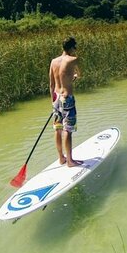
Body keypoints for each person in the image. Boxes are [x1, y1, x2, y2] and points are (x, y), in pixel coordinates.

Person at [49, 36, 83, 167]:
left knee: (57, 129)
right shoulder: (73, 60)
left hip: (56, 97)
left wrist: (52, 101)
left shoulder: (53, 61)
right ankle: (70, 161)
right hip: (67, 98)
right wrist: (73, 77)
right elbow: (80, 75)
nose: (76, 50)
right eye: (75, 47)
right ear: (71, 48)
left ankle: (61, 158)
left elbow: (51, 84)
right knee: (67, 130)